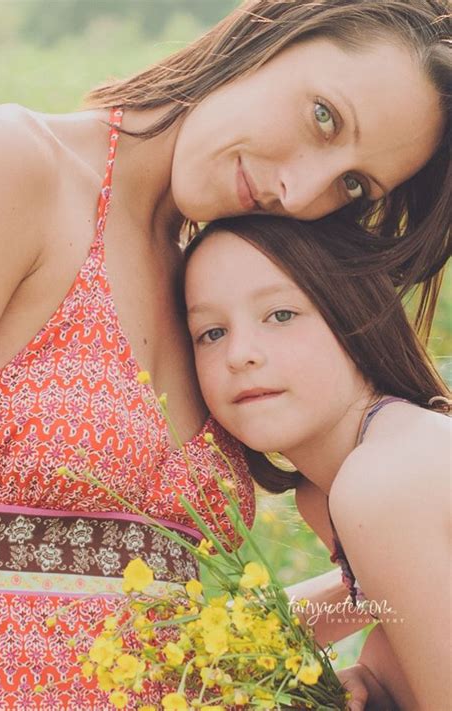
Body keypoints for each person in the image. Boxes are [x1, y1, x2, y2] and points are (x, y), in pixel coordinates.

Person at [0, 0, 450, 707]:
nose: (300, 189)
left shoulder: (219, 298)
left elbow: (156, 623)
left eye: (352, 184)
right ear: (273, 31)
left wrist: (358, 604)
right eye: (324, 116)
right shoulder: (19, 166)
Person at [184, 213, 451, 710]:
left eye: (281, 315)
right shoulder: (326, 493)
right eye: (211, 332)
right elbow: (383, 602)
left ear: (354, 315)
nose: (240, 354)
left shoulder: (383, 482)